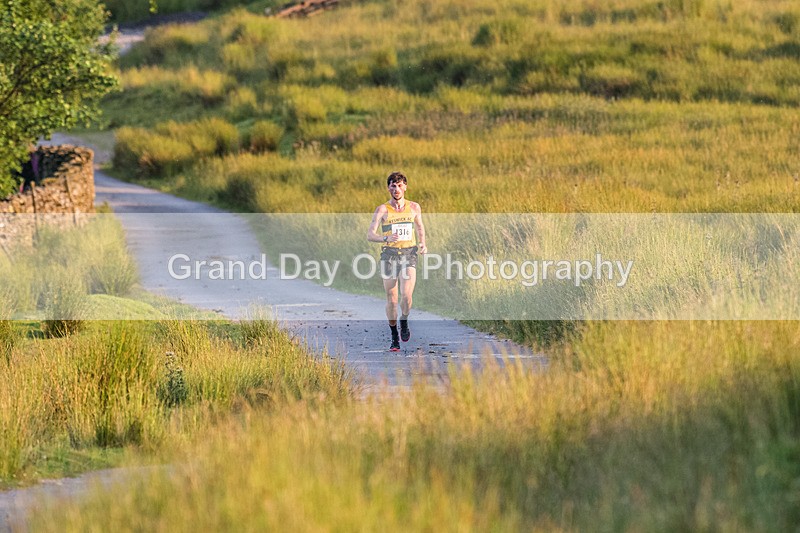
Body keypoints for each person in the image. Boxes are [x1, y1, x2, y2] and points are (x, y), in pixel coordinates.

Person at [366, 171, 427, 351]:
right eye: (393, 185)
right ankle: (394, 336)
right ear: (388, 188)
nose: (396, 189)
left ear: (405, 187)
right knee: (392, 299)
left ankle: (405, 320)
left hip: (409, 253)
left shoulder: (414, 207)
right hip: (389, 255)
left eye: (400, 185)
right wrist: (385, 238)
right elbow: (370, 234)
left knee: (407, 296)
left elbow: (420, 228)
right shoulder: (382, 209)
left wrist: (423, 244)